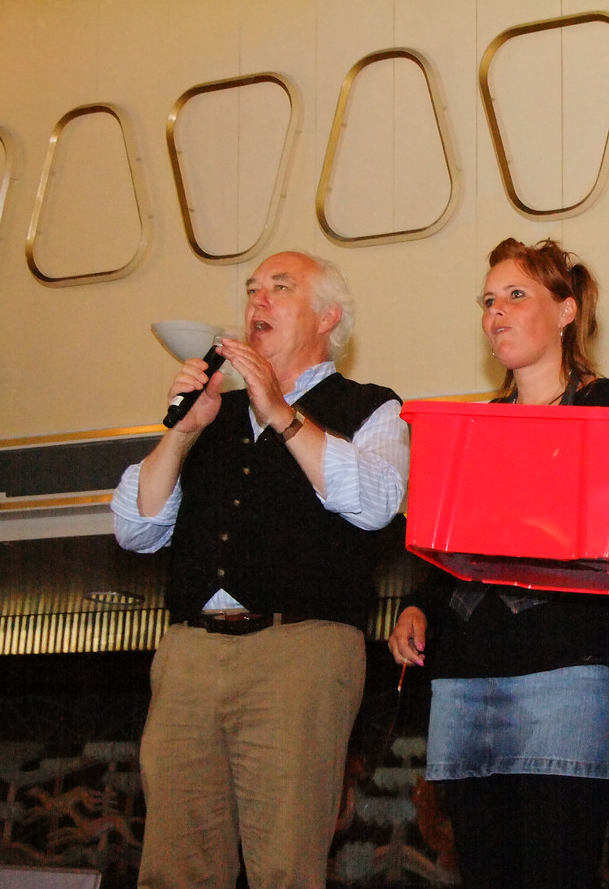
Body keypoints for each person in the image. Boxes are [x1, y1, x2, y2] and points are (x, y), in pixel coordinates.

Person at [111, 250, 410, 889]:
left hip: (299, 650)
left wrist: (282, 414)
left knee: (284, 868)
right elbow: (135, 529)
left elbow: (379, 502)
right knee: (173, 869)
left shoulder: (371, 407)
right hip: (189, 654)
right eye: (251, 290)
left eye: (280, 287)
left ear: (328, 317)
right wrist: (183, 430)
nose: (257, 301)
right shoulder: (212, 412)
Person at [388, 237, 609, 889]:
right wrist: (417, 604)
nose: (495, 312)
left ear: (566, 310)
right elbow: (450, 542)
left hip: (571, 669)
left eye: (514, 295)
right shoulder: (475, 427)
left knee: (559, 868)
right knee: (483, 869)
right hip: (468, 674)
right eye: (487, 301)